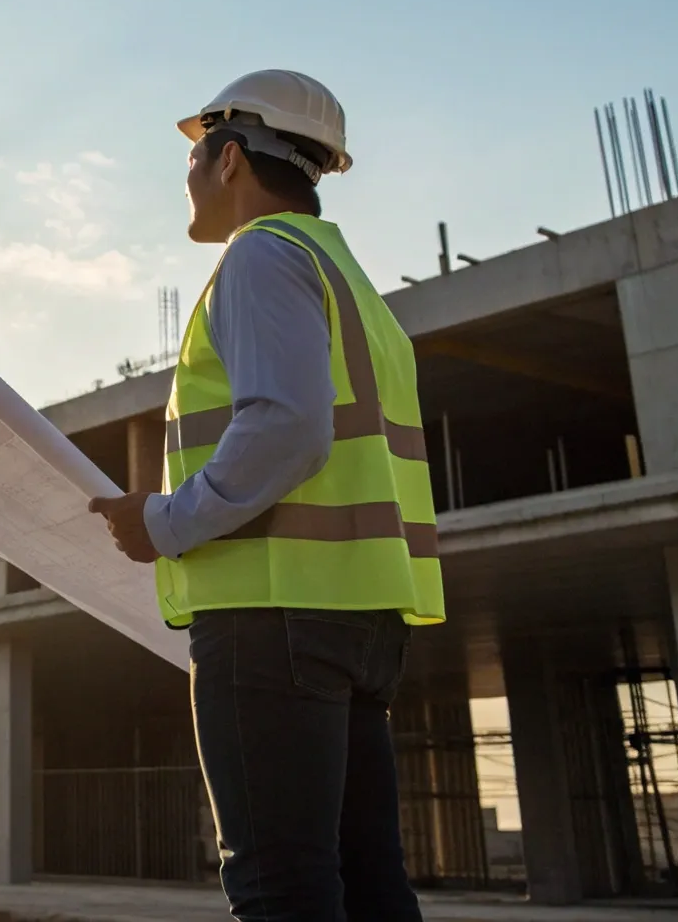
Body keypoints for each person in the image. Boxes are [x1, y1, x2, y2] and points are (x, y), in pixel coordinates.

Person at [88, 69, 444, 922]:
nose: (185, 176)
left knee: (279, 885)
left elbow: (287, 428)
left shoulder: (260, 255)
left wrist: (164, 521)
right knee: (365, 881)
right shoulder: (350, 281)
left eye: (193, 156)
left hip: (271, 618)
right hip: (360, 617)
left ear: (233, 157)